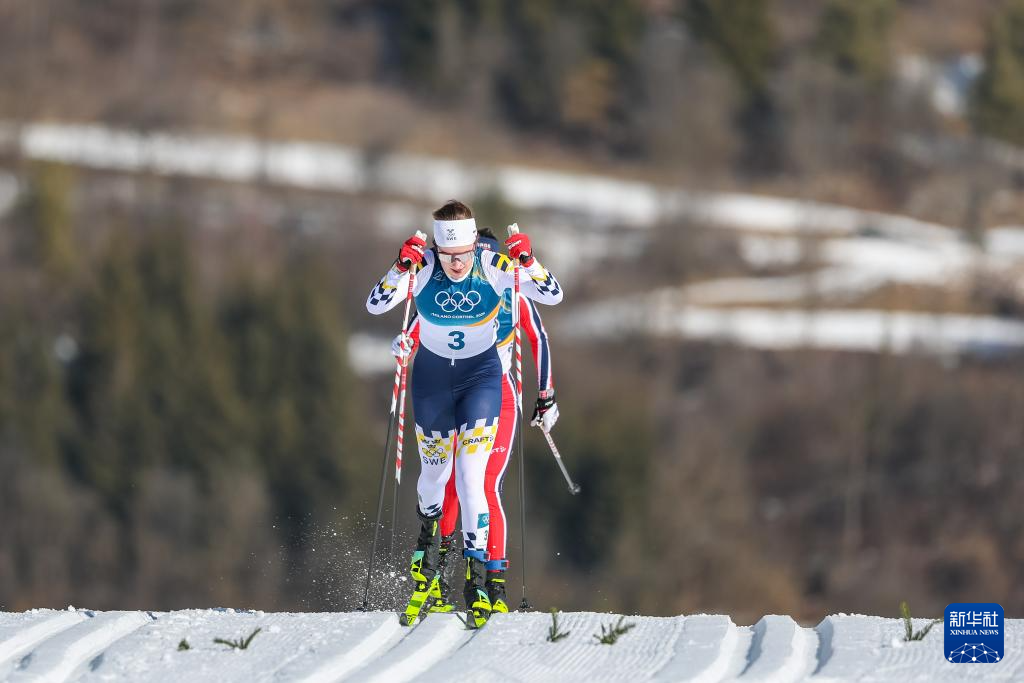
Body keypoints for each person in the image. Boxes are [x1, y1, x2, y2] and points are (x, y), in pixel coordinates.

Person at [366, 200, 562, 627]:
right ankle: (431, 567)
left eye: (466, 254)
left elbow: (547, 311)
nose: (458, 265)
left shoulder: (499, 271)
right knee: (440, 481)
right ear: (437, 250)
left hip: (491, 385)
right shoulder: (427, 269)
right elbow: (390, 310)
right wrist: (399, 273)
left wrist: (529, 261)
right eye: (448, 255)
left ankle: (486, 582)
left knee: (478, 481)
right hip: (436, 383)